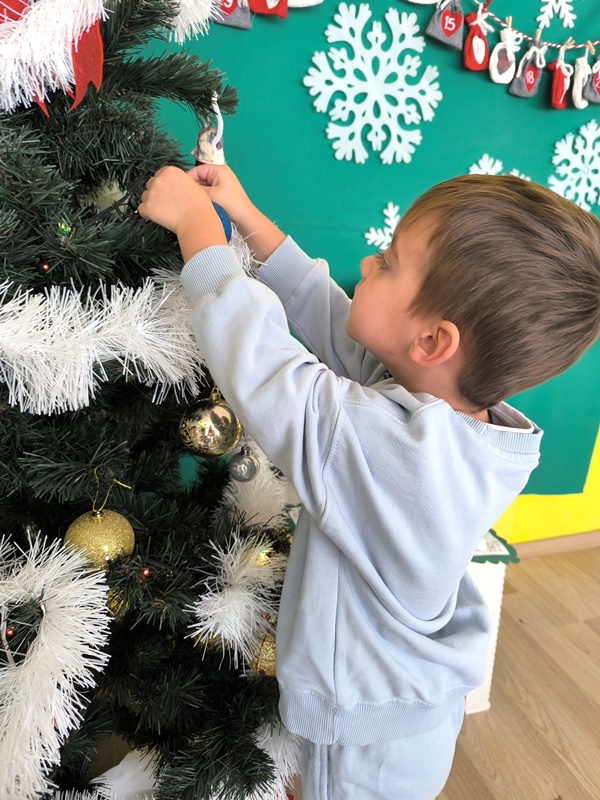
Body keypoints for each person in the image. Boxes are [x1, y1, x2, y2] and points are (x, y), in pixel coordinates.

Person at [138, 166, 600, 799]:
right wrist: (246, 217)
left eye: (387, 261)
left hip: (363, 738)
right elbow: (333, 319)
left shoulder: (397, 453)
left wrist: (199, 231)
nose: (365, 262)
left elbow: (269, 372)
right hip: (405, 706)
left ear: (432, 341)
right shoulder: (447, 417)